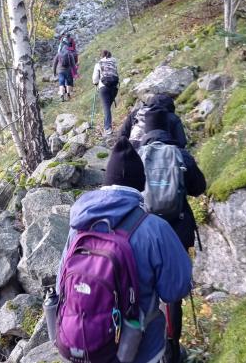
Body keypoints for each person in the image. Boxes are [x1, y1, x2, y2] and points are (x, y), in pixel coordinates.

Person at [57, 136, 192, 363]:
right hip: (139, 349)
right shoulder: (155, 228)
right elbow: (175, 290)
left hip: (83, 342)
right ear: (140, 185)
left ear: (105, 181)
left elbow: (62, 280)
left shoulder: (78, 226)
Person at [139, 106, 206, 363]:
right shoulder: (180, 154)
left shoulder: (137, 155)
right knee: (174, 295)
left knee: (146, 292)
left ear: (146, 130)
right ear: (167, 128)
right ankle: (173, 351)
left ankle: (148, 348)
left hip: (144, 234)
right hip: (177, 231)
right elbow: (199, 188)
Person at [119, 93, 187, 149]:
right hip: (162, 155)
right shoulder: (173, 117)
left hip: (133, 152)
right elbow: (181, 142)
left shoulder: (136, 113)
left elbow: (122, 134)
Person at [92, 50, 119, 136]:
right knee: (107, 107)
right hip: (114, 87)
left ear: (101, 56)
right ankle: (106, 126)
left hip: (103, 87)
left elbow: (95, 79)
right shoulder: (114, 62)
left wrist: (96, 83)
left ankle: (108, 129)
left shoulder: (98, 64)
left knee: (106, 108)